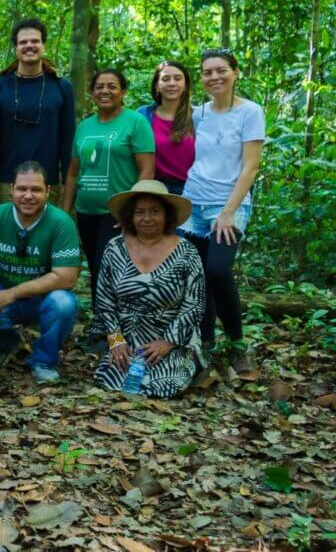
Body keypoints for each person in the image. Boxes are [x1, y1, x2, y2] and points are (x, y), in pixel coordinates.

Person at [0, 161, 80, 383]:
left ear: (48, 191)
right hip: (0, 296)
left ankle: (43, 361)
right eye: (22, 189)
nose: (28, 196)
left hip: (43, 298)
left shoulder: (61, 223)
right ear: (12, 189)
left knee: (64, 304)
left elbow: (67, 277)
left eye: (36, 190)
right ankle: (7, 343)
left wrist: (15, 292)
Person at [180, 50, 264, 373]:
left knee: (217, 269)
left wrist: (228, 211)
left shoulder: (250, 113)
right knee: (197, 274)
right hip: (193, 202)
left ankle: (237, 344)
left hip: (228, 204)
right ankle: (205, 341)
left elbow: (250, 167)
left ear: (235, 73)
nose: (214, 77)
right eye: (207, 72)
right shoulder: (198, 114)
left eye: (221, 71)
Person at [90, 180, 206, 397]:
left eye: (154, 212)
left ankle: (186, 361)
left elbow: (195, 304)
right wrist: (115, 339)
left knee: (162, 386)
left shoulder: (187, 252)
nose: (147, 218)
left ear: (167, 215)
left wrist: (168, 342)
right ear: (130, 217)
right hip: (127, 338)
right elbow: (104, 298)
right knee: (110, 381)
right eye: (139, 212)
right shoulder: (114, 248)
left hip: (171, 337)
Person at [61, 69, 154, 301]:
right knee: (95, 268)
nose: (105, 91)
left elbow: (147, 170)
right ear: (92, 93)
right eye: (99, 87)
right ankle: (103, 329)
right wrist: (63, 214)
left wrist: (133, 211)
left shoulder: (135, 122)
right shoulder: (84, 127)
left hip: (117, 212)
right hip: (86, 211)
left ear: (122, 92)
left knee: (108, 269)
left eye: (112, 86)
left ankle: (112, 333)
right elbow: (73, 173)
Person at [0, 19, 76, 203]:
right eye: (23, 42)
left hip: (47, 183)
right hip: (5, 183)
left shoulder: (61, 87)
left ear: (43, 46)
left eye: (35, 41)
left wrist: (68, 186)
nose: (29, 46)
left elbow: (68, 141)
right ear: (16, 48)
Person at [137, 61, 195, 195]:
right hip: (154, 188)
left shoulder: (197, 117)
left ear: (185, 85)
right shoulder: (143, 115)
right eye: (165, 79)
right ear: (157, 86)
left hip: (190, 191)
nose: (172, 83)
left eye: (178, 78)